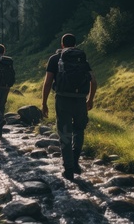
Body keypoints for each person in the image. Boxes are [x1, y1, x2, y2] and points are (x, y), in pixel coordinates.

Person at [41, 33, 97, 181]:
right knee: (79, 130)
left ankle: (69, 169)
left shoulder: (55, 58)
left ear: (62, 45)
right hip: (80, 100)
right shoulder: (82, 59)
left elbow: (47, 83)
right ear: (75, 44)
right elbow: (94, 81)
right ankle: (75, 161)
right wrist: (90, 99)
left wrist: (44, 103)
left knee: (65, 133)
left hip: (62, 99)